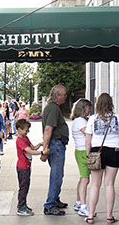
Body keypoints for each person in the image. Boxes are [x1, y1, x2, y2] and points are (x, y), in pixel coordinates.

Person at [84, 93, 119, 225]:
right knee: (109, 184)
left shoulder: (92, 119)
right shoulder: (117, 118)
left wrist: (88, 154)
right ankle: (109, 216)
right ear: (110, 103)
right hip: (114, 150)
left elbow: (88, 139)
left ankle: (90, 216)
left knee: (95, 184)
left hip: (97, 150)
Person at [41, 85, 69, 216]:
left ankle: (55, 199)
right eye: (64, 94)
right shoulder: (53, 109)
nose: (65, 96)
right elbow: (48, 129)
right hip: (56, 144)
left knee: (58, 174)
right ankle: (50, 204)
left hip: (57, 144)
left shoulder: (53, 108)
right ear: (57, 96)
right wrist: (45, 148)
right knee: (56, 175)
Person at [15, 118, 43, 216]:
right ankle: (21, 207)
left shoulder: (25, 138)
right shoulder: (20, 141)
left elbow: (33, 147)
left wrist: (40, 144)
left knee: (26, 186)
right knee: (23, 187)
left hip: (27, 166)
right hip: (22, 167)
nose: (27, 132)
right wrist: (43, 152)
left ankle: (23, 204)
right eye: (26, 130)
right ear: (19, 129)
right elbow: (30, 151)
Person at [70, 98, 92, 217]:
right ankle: (83, 206)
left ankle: (79, 202)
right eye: (89, 108)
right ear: (83, 109)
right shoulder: (81, 122)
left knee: (83, 178)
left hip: (80, 151)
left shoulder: (78, 120)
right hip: (84, 151)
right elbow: (89, 133)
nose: (90, 111)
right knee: (85, 179)